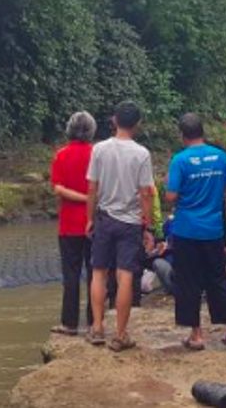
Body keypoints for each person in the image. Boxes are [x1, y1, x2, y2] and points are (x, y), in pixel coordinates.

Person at [166, 113, 226, 351]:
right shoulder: (220, 157)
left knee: (188, 282)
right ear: (203, 132)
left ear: (182, 135)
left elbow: (171, 196)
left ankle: (197, 336)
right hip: (213, 229)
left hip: (186, 229)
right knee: (218, 279)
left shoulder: (180, 160)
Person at [86, 101, 156, 352]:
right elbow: (146, 193)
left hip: (104, 218)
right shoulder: (141, 154)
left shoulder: (99, 150)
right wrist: (147, 226)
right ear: (137, 124)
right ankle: (121, 334)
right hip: (130, 222)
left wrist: (90, 218)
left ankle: (96, 327)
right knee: (125, 275)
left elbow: (92, 187)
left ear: (114, 120)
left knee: (99, 272)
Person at [50, 111, 96, 336]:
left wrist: (76, 199)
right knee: (95, 272)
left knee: (71, 274)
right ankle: (93, 322)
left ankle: (69, 323)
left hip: (68, 223)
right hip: (93, 222)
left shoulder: (61, 155)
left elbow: (58, 189)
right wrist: (89, 199)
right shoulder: (97, 154)